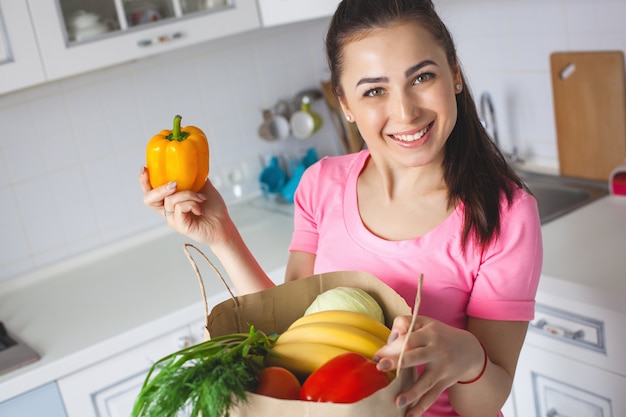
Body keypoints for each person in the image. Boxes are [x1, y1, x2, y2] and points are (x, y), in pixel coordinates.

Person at [140, 0, 542, 416]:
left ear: (454, 73)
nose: (406, 112)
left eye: (422, 76)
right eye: (374, 90)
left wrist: (469, 358)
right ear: (345, 104)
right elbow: (288, 334)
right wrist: (222, 234)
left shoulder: (506, 215)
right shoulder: (321, 186)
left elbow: (484, 403)